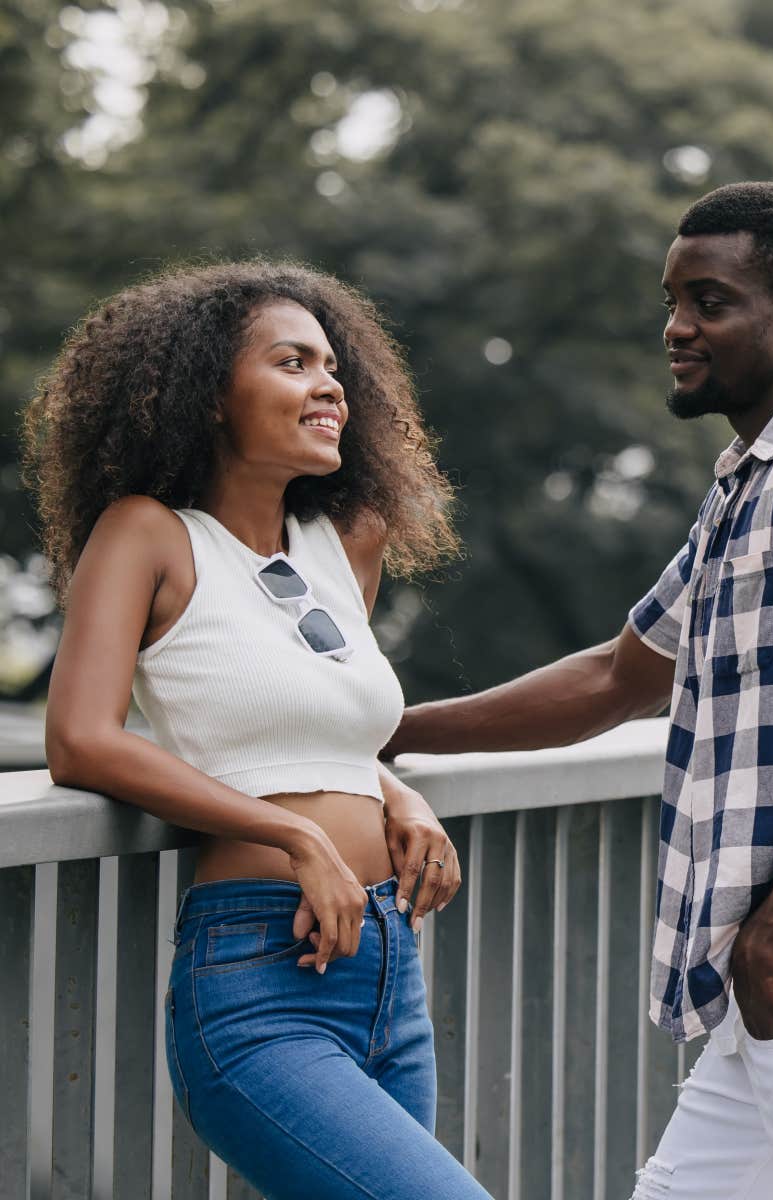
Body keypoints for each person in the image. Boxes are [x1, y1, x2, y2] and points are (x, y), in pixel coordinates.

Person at [382, 183, 773, 1199]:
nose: (677, 328)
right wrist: (391, 730)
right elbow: (615, 677)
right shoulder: (750, 486)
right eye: (671, 302)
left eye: (709, 302)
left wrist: (771, 943)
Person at [26, 262, 494, 1200]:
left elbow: (328, 726)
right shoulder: (149, 535)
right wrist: (293, 830)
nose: (329, 387)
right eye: (292, 362)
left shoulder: (340, 541)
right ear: (206, 395)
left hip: (386, 966)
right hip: (258, 985)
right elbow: (80, 739)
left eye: (333, 368)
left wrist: (393, 791)